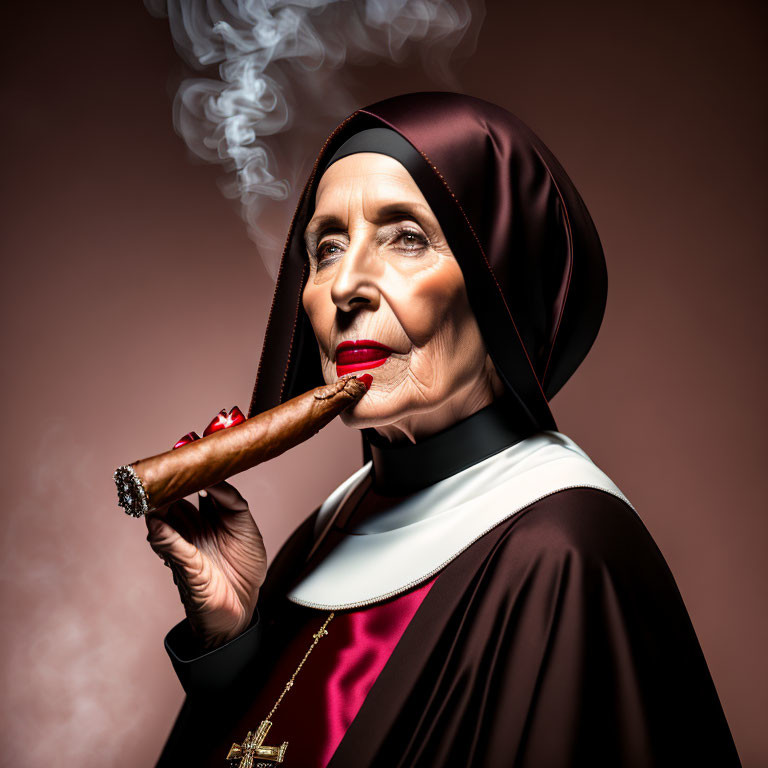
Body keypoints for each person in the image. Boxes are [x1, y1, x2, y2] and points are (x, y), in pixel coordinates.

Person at [148, 92, 740, 767]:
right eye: (328, 246)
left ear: (500, 285)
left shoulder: (562, 554)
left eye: (405, 237)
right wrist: (234, 642)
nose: (347, 287)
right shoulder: (324, 531)